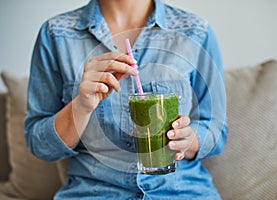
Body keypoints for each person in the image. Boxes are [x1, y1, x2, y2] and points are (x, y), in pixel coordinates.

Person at [25, 0, 228, 199]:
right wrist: (80, 106)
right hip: (94, 193)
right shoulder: (56, 34)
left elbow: (217, 130)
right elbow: (39, 144)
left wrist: (188, 139)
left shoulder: (195, 31)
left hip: (180, 192)